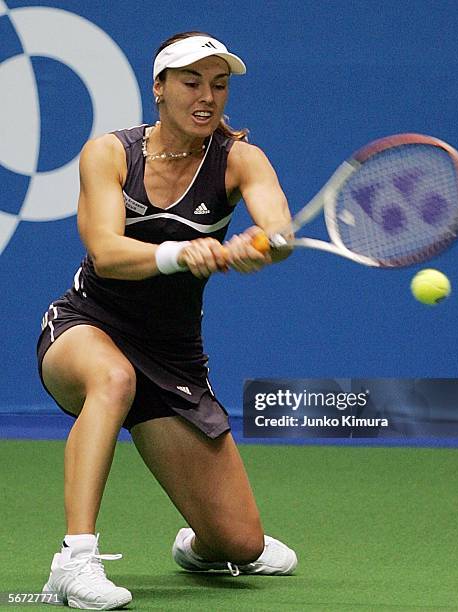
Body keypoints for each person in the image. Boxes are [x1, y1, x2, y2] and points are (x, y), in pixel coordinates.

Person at [38, 31, 297, 610]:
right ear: (158, 89)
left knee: (241, 543)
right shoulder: (111, 152)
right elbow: (106, 251)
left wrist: (268, 243)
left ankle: (200, 543)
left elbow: (277, 226)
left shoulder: (240, 159)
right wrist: (179, 252)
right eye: (190, 82)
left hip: (173, 355)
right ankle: (73, 561)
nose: (207, 96)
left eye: (219, 84)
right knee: (112, 378)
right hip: (88, 325)